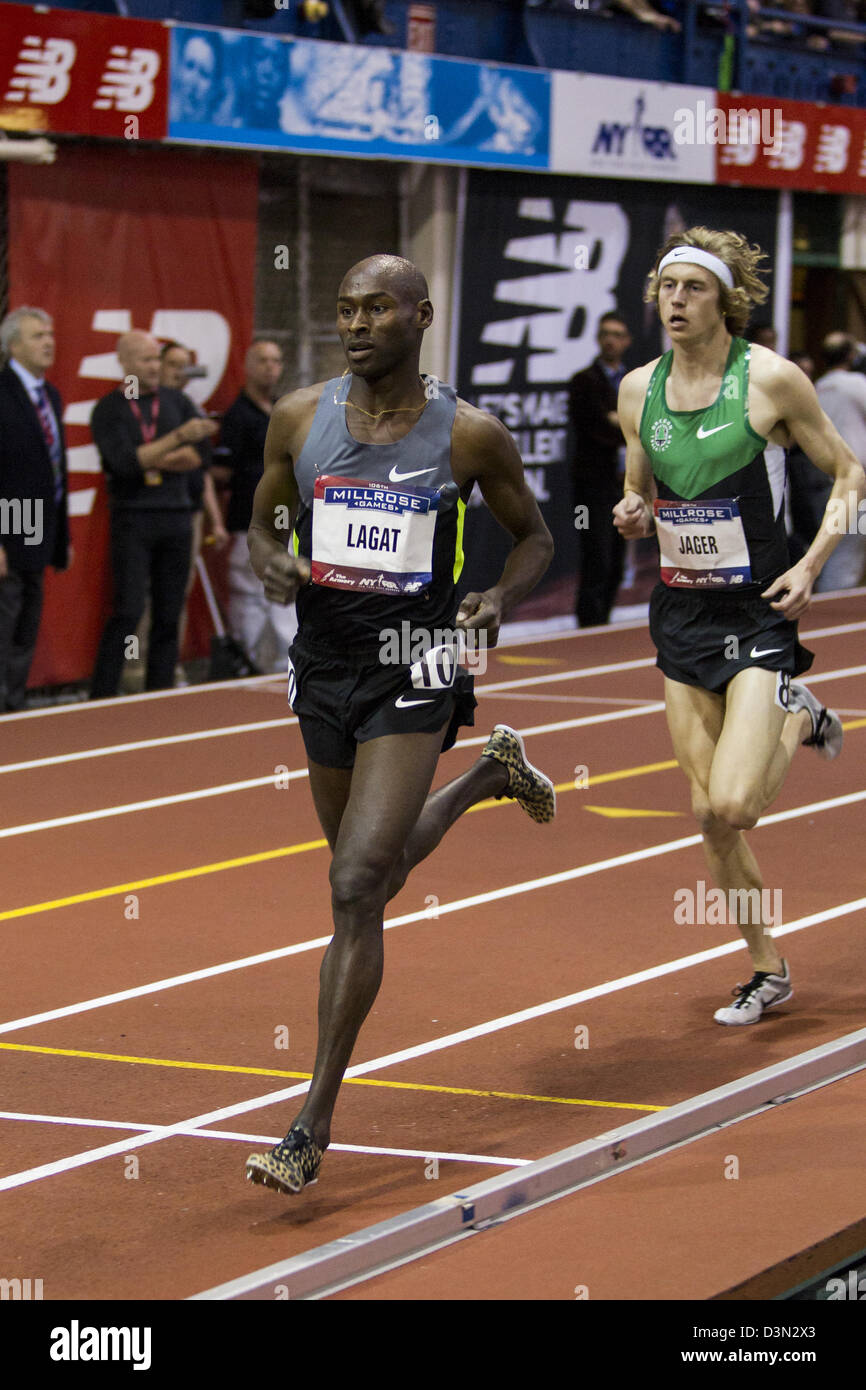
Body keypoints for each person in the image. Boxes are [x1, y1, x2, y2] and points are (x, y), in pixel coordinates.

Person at [244, 254, 555, 1194]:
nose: (356, 323)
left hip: (419, 660)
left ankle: (310, 1123)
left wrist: (498, 596)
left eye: (376, 308)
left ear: (422, 316)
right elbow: (263, 522)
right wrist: (271, 561)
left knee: (353, 882)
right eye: (345, 309)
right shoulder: (300, 417)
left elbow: (537, 536)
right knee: (366, 875)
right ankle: (489, 778)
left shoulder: (469, 435)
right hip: (327, 663)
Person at [613, 228, 865, 1026]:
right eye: (666, 287)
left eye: (692, 287)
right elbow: (637, 488)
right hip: (682, 613)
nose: (675, 301)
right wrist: (630, 510)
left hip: (759, 612)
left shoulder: (771, 381)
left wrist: (815, 561)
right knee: (704, 815)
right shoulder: (636, 390)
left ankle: (797, 708)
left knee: (736, 806)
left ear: (726, 300)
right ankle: (767, 967)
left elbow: (852, 474)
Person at [89, 331, 218, 698]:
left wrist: (154, 455)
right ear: (125, 363)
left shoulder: (176, 401)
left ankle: (158, 694)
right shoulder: (110, 409)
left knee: (169, 609)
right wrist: (176, 441)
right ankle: (103, 693)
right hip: (133, 517)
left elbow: (201, 458)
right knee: (128, 608)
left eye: (155, 359)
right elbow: (125, 463)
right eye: (145, 360)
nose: (154, 367)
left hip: (176, 515)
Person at [0, 307, 69, 710]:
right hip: (9, 521)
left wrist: (62, 536)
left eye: (50, 333)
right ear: (12, 345)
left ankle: (12, 702)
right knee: (5, 616)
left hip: (39, 524)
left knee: (27, 618)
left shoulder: (50, 394)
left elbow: (53, 468)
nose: (49, 341)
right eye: (37, 335)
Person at [215, 339, 298, 672]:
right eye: (262, 360)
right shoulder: (237, 415)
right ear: (248, 366)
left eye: (276, 360)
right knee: (249, 592)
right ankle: (247, 661)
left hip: (287, 518)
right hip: (248, 520)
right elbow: (220, 472)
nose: (270, 367)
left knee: (287, 587)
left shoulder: (284, 410)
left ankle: (286, 664)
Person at [568, 312, 632, 627]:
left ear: (626, 341)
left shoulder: (633, 382)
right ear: (597, 338)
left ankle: (602, 622)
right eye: (605, 333)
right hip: (593, 486)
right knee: (597, 557)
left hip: (625, 484)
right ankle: (588, 627)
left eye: (617, 333)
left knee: (618, 562)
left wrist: (617, 420)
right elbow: (593, 427)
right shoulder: (584, 381)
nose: (610, 339)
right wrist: (622, 424)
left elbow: (642, 428)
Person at [812, 332, 866, 589]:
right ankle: (833, 611)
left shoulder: (817, 386)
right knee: (847, 552)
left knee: (831, 548)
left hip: (820, 479)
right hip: (854, 480)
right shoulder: (856, 383)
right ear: (851, 356)